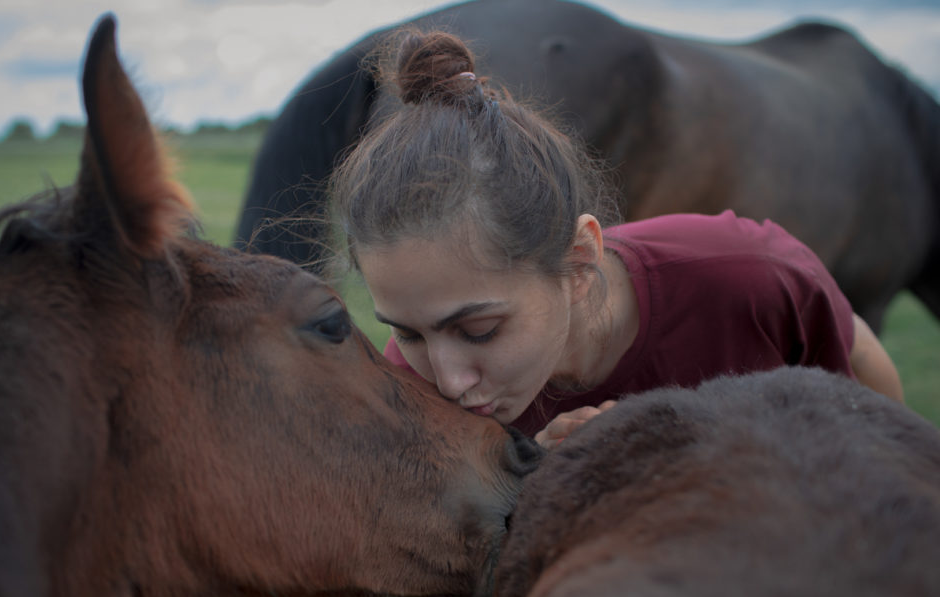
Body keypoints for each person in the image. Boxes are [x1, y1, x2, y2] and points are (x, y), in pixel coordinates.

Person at [327, 30, 904, 451]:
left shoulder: (743, 273)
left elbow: (861, 362)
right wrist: (532, 473)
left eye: (479, 330)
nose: (449, 380)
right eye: (406, 332)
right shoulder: (410, 386)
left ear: (579, 261)